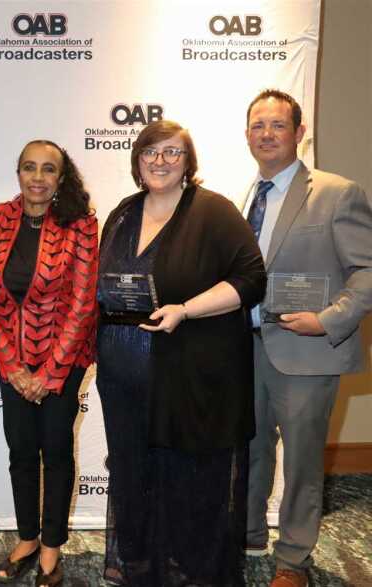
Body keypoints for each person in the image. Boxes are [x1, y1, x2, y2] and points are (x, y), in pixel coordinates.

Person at [96, 120, 266, 586]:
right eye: (150, 152)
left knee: (187, 480)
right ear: (137, 160)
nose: (160, 161)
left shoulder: (213, 211)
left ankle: (190, 571)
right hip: (121, 374)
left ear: (189, 163)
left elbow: (251, 280)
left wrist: (186, 310)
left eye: (172, 153)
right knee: (133, 474)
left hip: (186, 373)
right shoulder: (123, 213)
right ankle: (141, 565)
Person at [242, 90, 372, 587]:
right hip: (246, 348)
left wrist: (330, 319)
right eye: (258, 125)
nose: (267, 134)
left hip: (308, 352)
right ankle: (247, 534)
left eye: (278, 125)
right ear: (247, 134)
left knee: (300, 461)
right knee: (248, 450)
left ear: (299, 133)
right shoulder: (246, 195)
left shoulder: (337, 192)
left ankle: (293, 558)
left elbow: (366, 270)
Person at [0, 140, 98, 587]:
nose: (38, 177)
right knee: (21, 452)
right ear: (18, 172)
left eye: (49, 169)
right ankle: (27, 537)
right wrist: (13, 367)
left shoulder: (81, 224)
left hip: (63, 365)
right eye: (29, 167)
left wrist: (50, 372)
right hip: (14, 364)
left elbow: (84, 303)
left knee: (57, 453)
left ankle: (51, 545)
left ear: (61, 178)